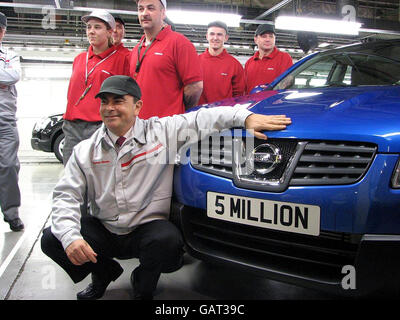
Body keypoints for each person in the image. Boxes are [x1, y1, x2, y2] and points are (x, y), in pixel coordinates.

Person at [40, 75, 292, 300]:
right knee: (53, 237)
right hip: (104, 228)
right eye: (104, 102)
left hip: (145, 229)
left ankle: (143, 282)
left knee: (168, 242)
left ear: (137, 106)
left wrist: (245, 116)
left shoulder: (161, 134)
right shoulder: (87, 150)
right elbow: (66, 195)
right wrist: (71, 237)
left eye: (118, 101)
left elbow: (204, 117)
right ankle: (103, 272)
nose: (109, 108)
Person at [62, 9, 130, 165]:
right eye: (89, 27)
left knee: (99, 177)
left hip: (101, 126)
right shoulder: (79, 59)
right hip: (72, 126)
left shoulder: (122, 59)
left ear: (109, 32)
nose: (91, 31)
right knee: (71, 174)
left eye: (97, 27)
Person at [129, 0, 203, 119]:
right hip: (140, 125)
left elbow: (195, 87)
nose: (144, 13)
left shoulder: (180, 43)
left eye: (151, 8)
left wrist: (178, 110)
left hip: (168, 127)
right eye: (140, 9)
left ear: (163, 13)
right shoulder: (136, 49)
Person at [0, 12, 24, 232]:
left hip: (5, 121)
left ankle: (11, 213)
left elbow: (13, 75)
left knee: (8, 166)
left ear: (4, 31)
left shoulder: (10, 55)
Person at [198, 21, 245, 105]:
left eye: (219, 34)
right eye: (212, 34)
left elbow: (239, 96)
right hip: (199, 114)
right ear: (207, 36)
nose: (215, 38)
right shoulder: (196, 61)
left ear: (226, 38)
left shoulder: (235, 65)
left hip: (224, 115)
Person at [244, 24, 293, 94]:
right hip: (253, 103)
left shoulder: (284, 58)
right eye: (264, 36)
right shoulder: (249, 62)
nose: (268, 40)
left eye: (271, 36)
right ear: (256, 39)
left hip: (274, 103)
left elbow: (288, 81)